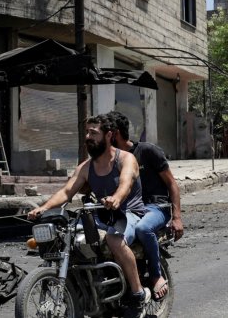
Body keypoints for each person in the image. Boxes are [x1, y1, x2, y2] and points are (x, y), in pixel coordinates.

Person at [27, 115, 150, 316]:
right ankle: (87, 292)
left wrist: (117, 198)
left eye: (94, 133)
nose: (88, 137)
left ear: (109, 135)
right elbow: (67, 192)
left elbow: (125, 184)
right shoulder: (86, 167)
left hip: (129, 212)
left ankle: (137, 294)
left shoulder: (126, 159)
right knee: (67, 239)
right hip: (101, 215)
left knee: (113, 240)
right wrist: (44, 207)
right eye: (87, 132)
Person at [106, 111, 184, 302]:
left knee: (143, 228)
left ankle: (156, 275)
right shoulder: (111, 159)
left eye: (106, 133)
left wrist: (177, 217)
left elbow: (172, 184)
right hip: (129, 209)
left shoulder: (148, 151)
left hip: (156, 207)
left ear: (114, 134)